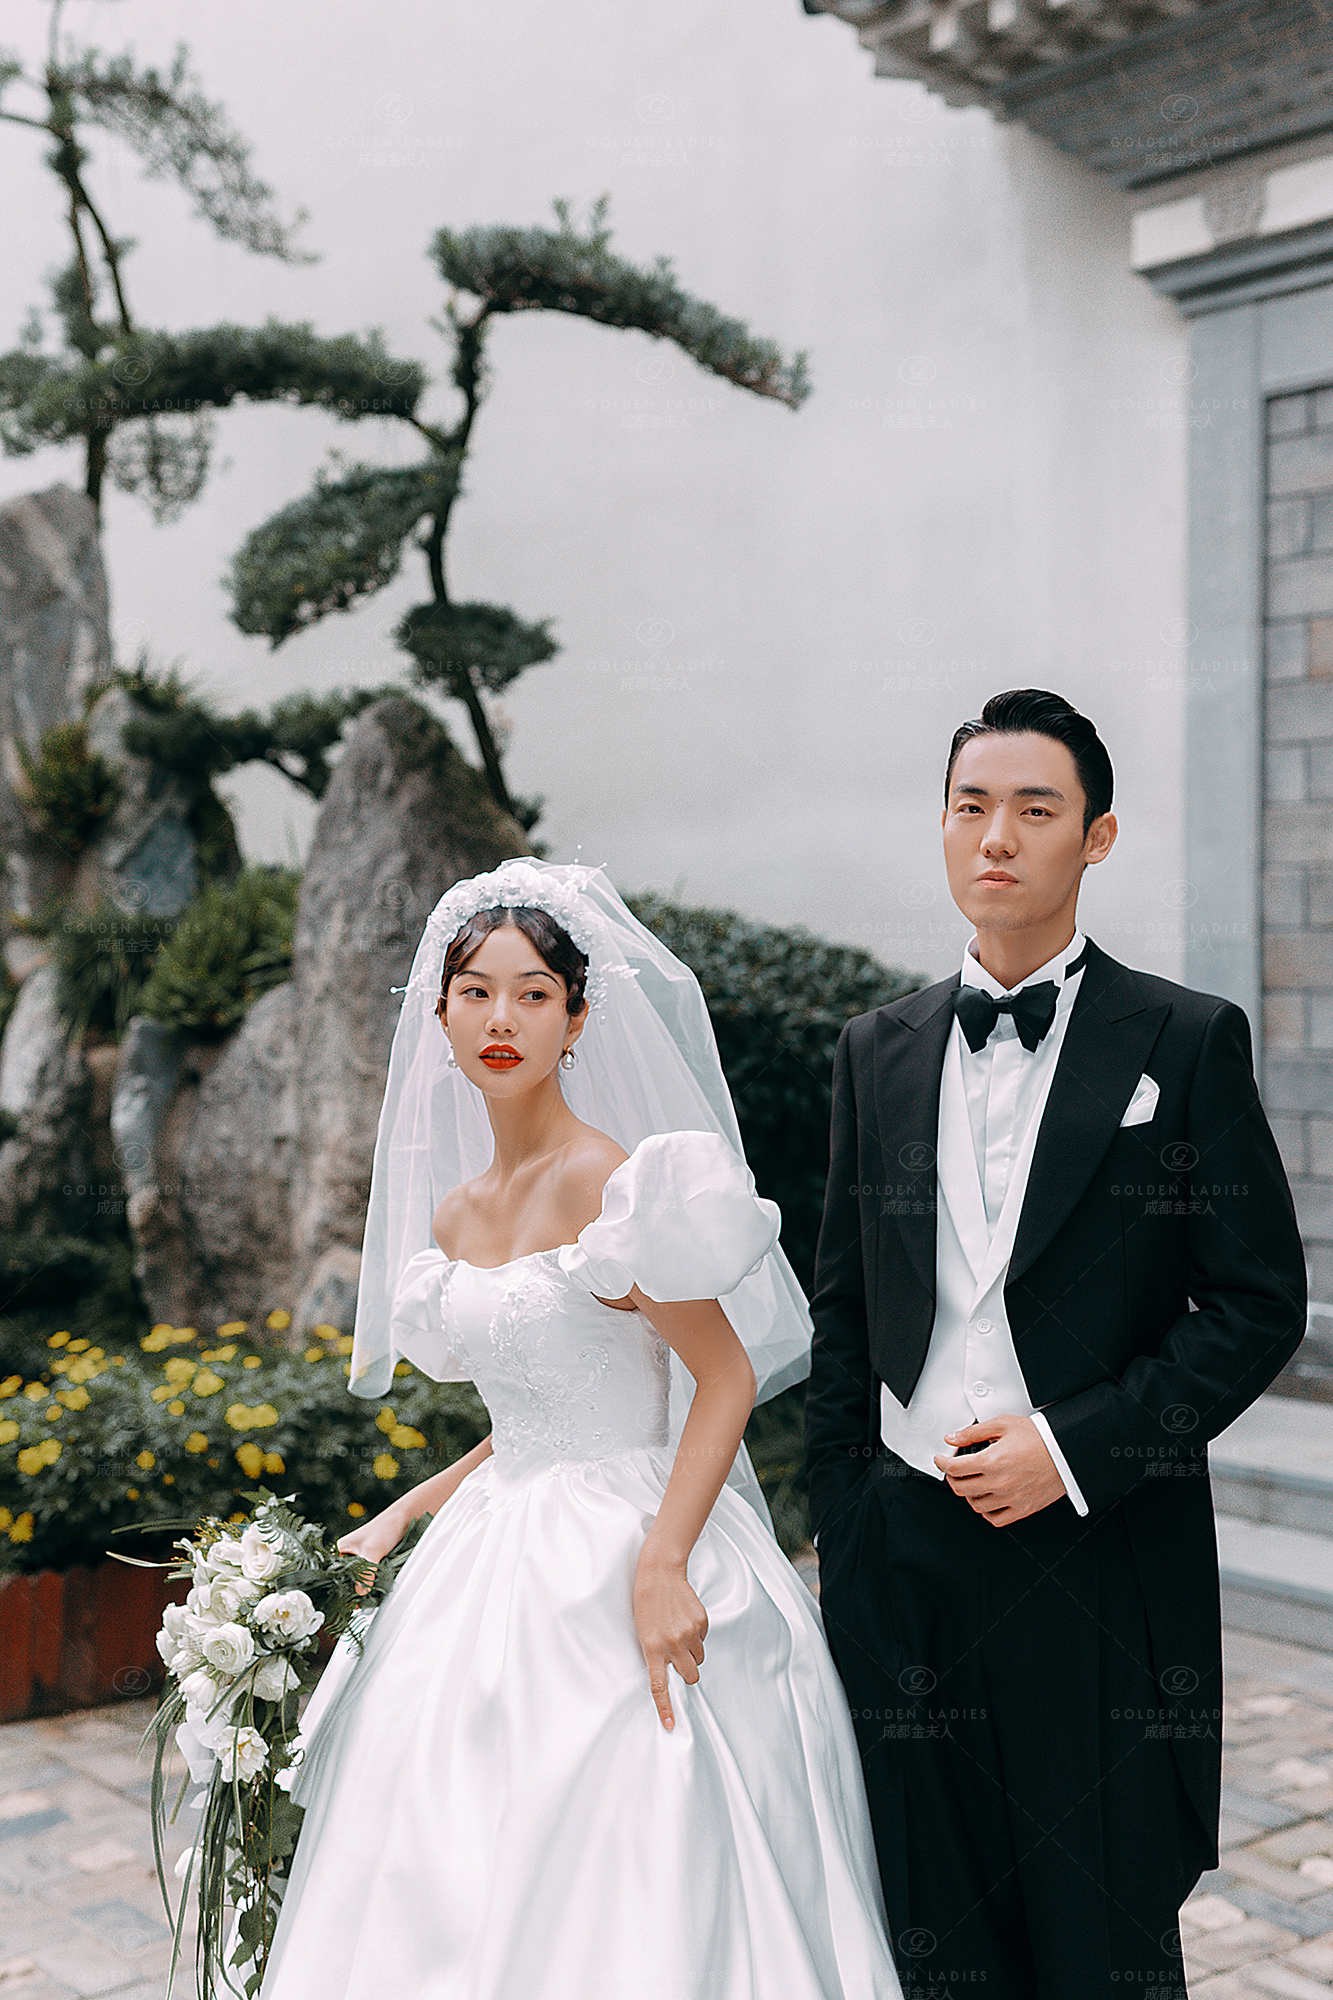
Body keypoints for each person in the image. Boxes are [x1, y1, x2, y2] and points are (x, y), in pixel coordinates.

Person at [255, 857, 904, 1999]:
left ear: (577, 1018)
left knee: (630, 1831)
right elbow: (533, 1411)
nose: (501, 1019)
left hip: (635, 1535)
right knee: (442, 1842)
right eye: (475, 993)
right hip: (495, 1546)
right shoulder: (455, 1215)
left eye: (533, 993)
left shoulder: (608, 1180)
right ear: (440, 1017)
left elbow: (722, 1377)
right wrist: (404, 1512)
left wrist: (661, 1563)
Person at [805, 688, 1308, 2000]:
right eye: (971, 806)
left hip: (1094, 1553)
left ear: (1096, 837)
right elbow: (843, 1306)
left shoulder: (1184, 1040)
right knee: (930, 1933)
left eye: (1035, 809)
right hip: (901, 1560)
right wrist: (845, 1527)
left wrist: (1074, 1449)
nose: (996, 837)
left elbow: (1256, 1303)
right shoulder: (874, 1048)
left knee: (1104, 1939)